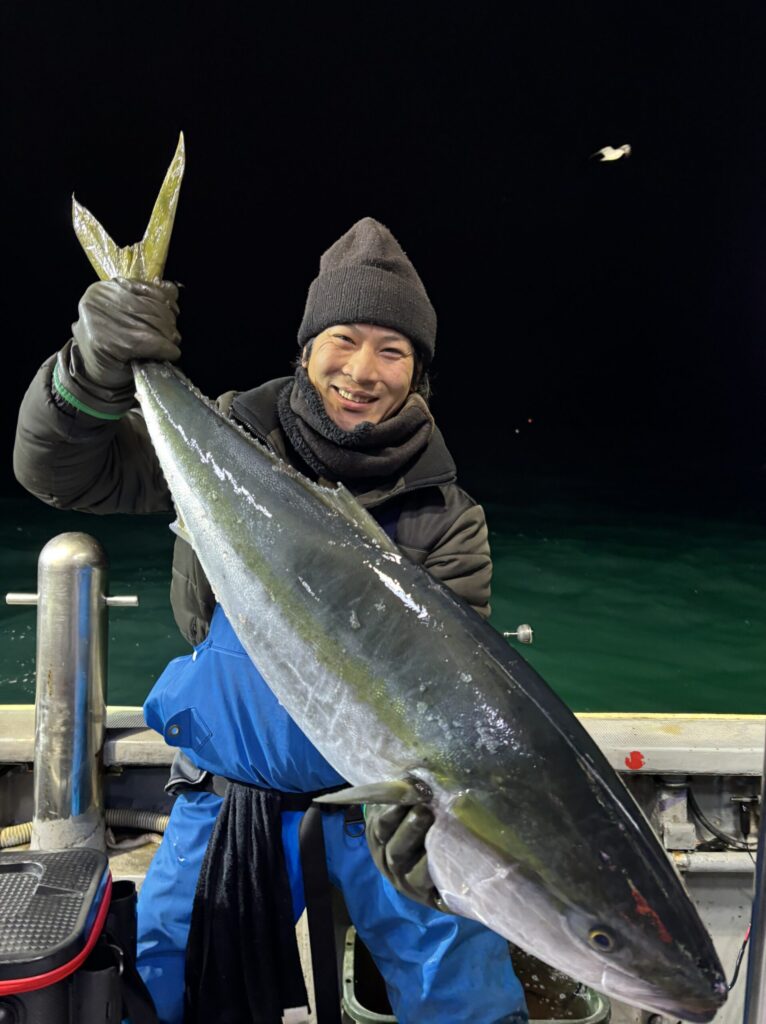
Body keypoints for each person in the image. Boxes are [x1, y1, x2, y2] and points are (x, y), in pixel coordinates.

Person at [14, 217, 528, 1024]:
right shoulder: (226, 439)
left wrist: (444, 825)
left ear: (419, 373)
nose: (362, 371)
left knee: (468, 997)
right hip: (229, 797)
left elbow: (447, 698)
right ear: (306, 348)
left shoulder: (447, 517)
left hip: (380, 809)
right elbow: (60, 472)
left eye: (393, 351)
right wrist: (94, 366)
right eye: (343, 340)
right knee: (169, 986)